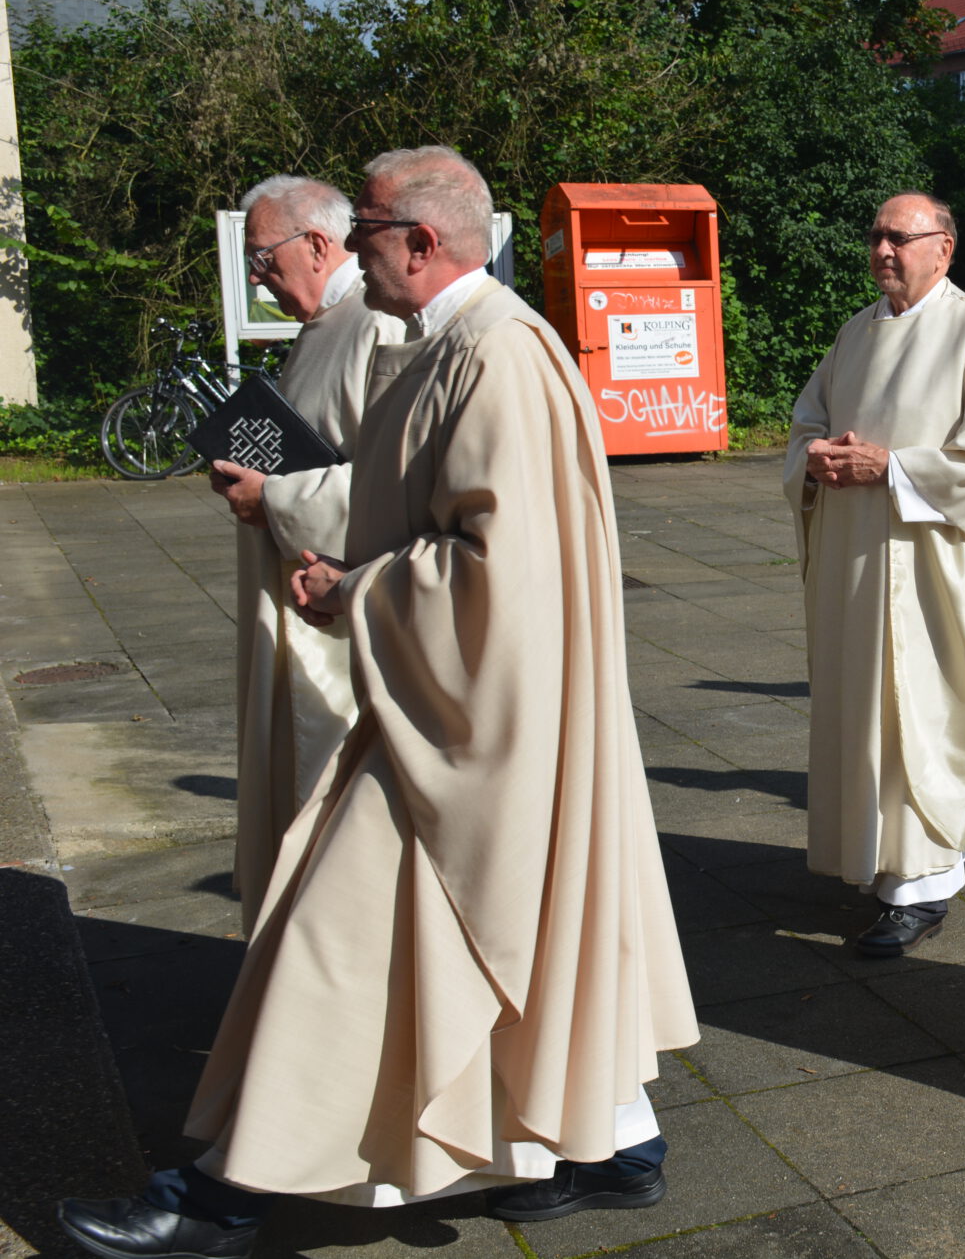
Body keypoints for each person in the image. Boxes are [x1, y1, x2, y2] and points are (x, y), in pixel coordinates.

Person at [59, 146, 698, 1259]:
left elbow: (502, 569)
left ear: (421, 240)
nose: (351, 250)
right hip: (446, 700)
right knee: (504, 941)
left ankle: (220, 1199)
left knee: (329, 941)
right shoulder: (444, 344)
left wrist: (356, 588)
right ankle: (606, 1148)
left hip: (472, 721)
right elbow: (423, 508)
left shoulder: (497, 355)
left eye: (362, 230)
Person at [784, 191, 965, 958]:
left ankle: (923, 884)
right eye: (875, 235)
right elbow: (808, 417)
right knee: (868, 713)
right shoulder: (856, 333)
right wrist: (814, 457)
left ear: (944, 246)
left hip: (935, 575)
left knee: (926, 717)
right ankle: (883, 858)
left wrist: (890, 467)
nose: (882, 250)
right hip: (859, 570)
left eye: (899, 237)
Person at [210, 176, 403, 931]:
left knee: (335, 815)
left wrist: (276, 501)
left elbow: (395, 485)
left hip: (338, 622)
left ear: (319, 244)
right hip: (288, 597)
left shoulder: (377, 326)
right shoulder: (323, 326)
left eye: (262, 257)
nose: (257, 277)